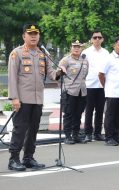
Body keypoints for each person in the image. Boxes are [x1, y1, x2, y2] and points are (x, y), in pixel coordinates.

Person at [7, 24, 64, 171]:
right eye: (30, 34)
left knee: (33, 130)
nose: (33, 36)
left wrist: (60, 72)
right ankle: (13, 159)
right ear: (24, 36)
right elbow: (12, 77)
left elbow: (52, 74)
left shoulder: (42, 54)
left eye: (36, 34)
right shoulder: (16, 53)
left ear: (39, 36)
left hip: (38, 100)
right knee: (20, 130)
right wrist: (14, 98)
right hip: (23, 100)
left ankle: (28, 158)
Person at [59, 40, 89, 144]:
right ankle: (68, 136)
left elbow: (85, 75)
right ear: (71, 48)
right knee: (68, 114)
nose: (76, 48)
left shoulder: (85, 60)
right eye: (74, 47)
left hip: (82, 91)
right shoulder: (66, 60)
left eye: (78, 47)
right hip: (70, 91)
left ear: (81, 48)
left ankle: (75, 135)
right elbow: (60, 71)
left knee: (78, 114)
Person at [82, 30, 109, 142]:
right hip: (90, 84)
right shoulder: (86, 52)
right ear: (91, 39)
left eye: (99, 37)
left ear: (102, 39)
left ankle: (97, 133)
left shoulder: (106, 52)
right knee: (89, 110)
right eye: (95, 37)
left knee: (100, 110)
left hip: (102, 85)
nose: (97, 39)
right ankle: (88, 133)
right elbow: (82, 67)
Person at [98, 37, 119, 146]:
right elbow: (101, 74)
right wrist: (106, 86)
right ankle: (108, 137)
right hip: (112, 91)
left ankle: (116, 135)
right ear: (114, 45)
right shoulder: (108, 58)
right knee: (110, 115)